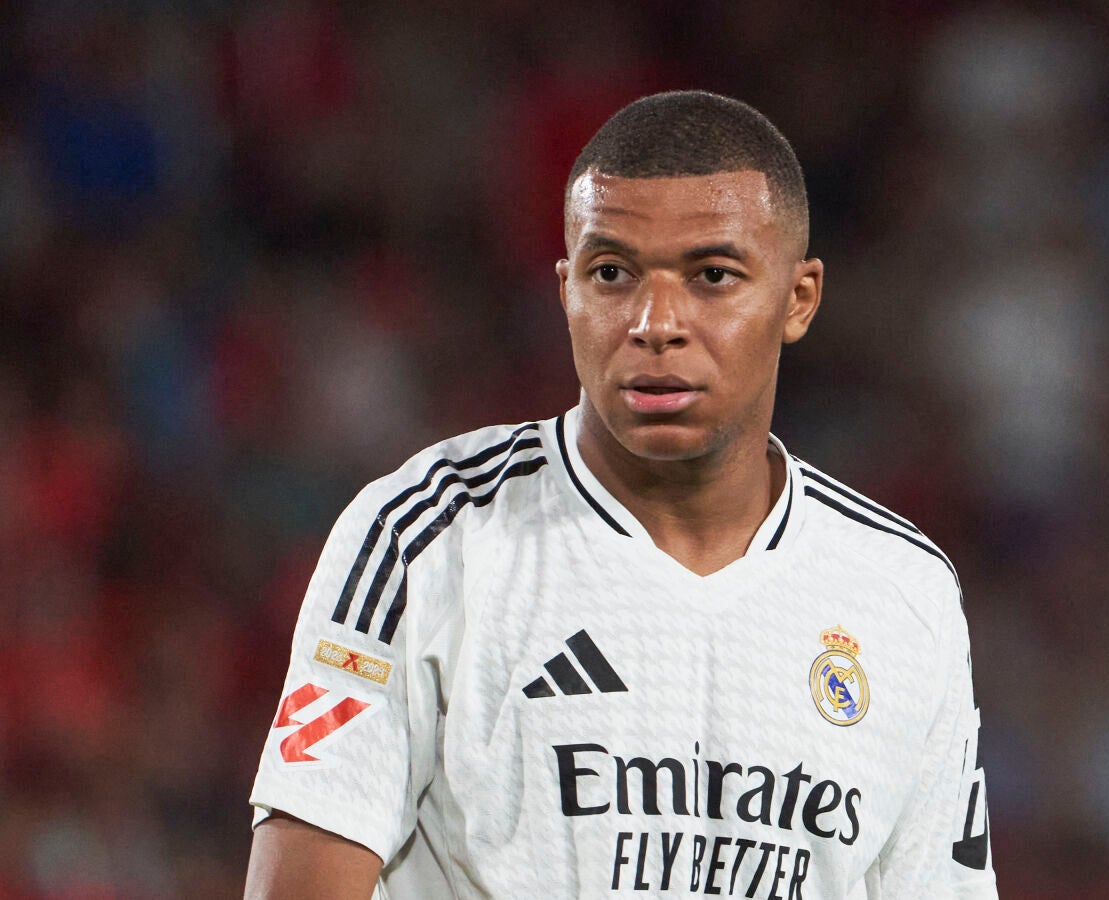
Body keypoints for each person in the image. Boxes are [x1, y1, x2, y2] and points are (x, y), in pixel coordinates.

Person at [244, 90, 995, 899]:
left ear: (797, 299)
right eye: (612, 274)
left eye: (712, 276)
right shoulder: (425, 539)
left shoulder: (903, 592)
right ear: (566, 290)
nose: (655, 322)